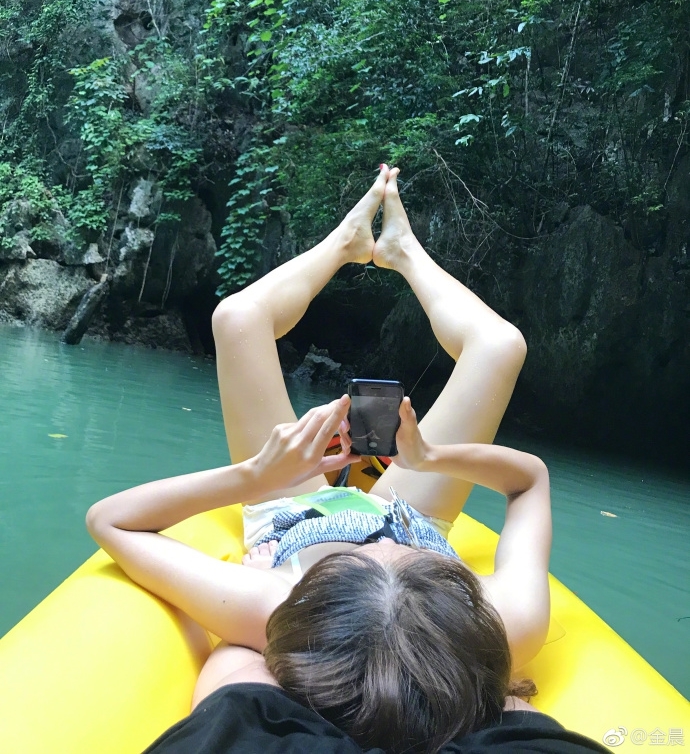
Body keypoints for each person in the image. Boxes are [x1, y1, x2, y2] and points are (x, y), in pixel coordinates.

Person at [86, 165, 575, 754]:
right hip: (418, 509)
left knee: (237, 320)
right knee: (501, 348)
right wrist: (430, 455)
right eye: (408, 559)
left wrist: (254, 478)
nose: (376, 528)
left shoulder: (277, 603)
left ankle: (343, 245)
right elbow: (529, 482)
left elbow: (112, 520)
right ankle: (402, 251)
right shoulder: (505, 625)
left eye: (367, 558)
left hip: (293, 513)